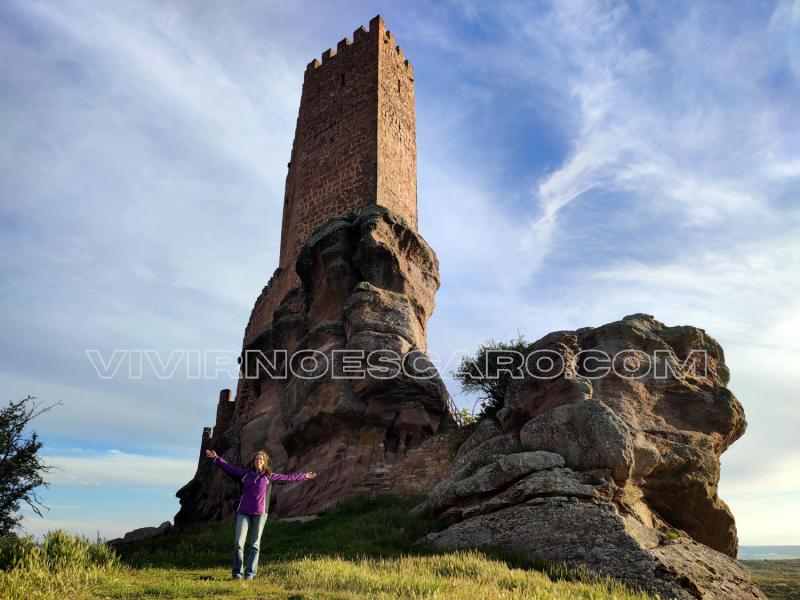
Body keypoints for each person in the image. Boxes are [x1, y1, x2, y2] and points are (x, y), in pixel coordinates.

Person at [205, 448, 317, 580]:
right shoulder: (245, 474)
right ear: (254, 462)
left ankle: (250, 574)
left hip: (260, 513)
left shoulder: (269, 476)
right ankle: (237, 574)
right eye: (257, 459)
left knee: (255, 544)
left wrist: (304, 476)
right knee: (238, 543)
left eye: (261, 459)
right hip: (244, 512)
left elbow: (288, 478)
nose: (259, 461)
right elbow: (229, 468)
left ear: (264, 463)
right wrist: (216, 458)